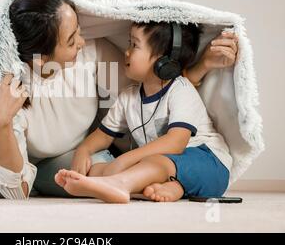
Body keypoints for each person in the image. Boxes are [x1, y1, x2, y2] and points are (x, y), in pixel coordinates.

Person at [0, 0, 239, 200]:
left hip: (193, 156)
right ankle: (143, 185)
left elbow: (162, 88)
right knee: (118, 169)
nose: (81, 42)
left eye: (79, 29)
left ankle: (127, 184)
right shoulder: (14, 92)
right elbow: (18, 191)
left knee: (135, 166)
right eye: (70, 39)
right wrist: (1, 125)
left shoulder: (94, 54)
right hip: (49, 164)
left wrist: (201, 66)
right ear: (42, 56)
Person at [55, 21, 233, 203]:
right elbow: (103, 136)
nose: (127, 51)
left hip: (209, 163)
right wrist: (84, 150)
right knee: (102, 167)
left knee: (151, 163)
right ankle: (171, 187)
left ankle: (120, 184)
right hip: (166, 167)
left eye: (134, 45)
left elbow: (176, 143)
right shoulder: (128, 97)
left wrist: (124, 160)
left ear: (164, 61)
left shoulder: (181, 88)